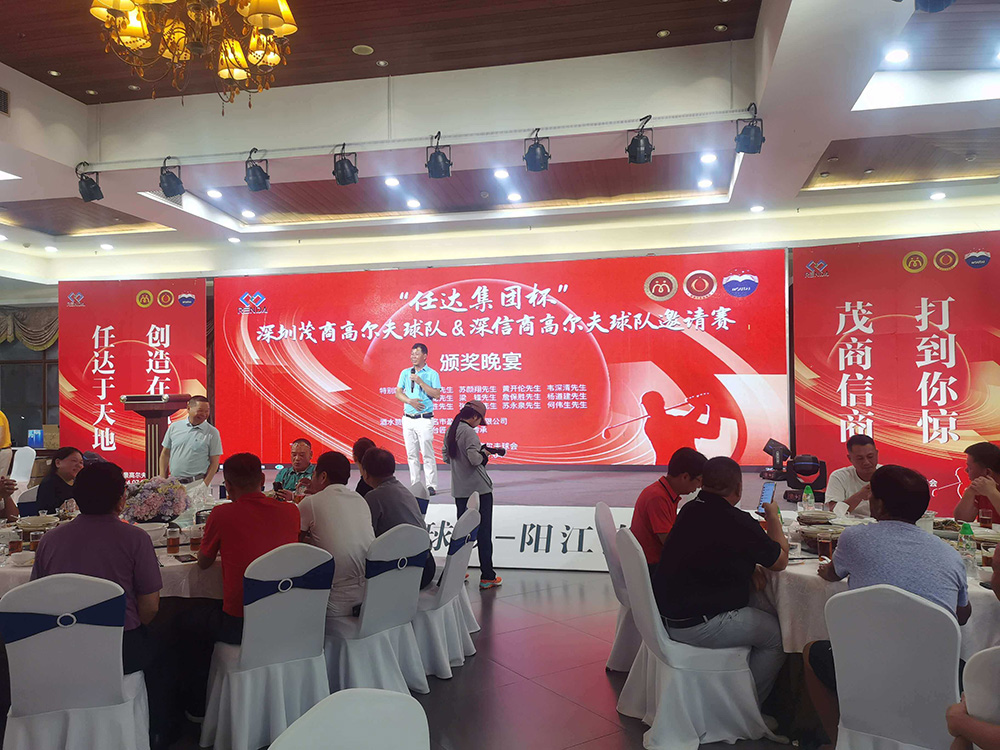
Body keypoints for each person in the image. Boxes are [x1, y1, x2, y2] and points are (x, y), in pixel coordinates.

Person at [803, 465, 971, 749]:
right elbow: (962, 616)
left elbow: (832, 573)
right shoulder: (950, 555)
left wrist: (825, 570)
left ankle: (838, 740)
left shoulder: (854, 538)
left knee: (811, 651)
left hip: (863, 665)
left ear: (878, 504)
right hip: (935, 673)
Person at [31, 462, 176, 749]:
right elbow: (150, 607)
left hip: (61, 647)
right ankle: (157, 734)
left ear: (76, 499)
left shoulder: (50, 540)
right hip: (120, 650)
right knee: (168, 649)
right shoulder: (136, 538)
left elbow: (38, 598)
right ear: (122, 500)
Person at [653, 456, 789, 705]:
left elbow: (709, 551)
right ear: (738, 488)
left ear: (703, 483)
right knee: (778, 637)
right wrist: (772, 518)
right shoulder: (738, 522)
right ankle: (748, 708)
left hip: (670, 615)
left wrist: (749, 568)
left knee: (762, 606)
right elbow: (780, 561)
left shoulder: (690, 510)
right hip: (699, 623)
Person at [181, 453, 299, 717]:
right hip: (286, 619)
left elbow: (203, 563)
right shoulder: (291, 511)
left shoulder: (222, 514)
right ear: (262, 479)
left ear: (228, 485)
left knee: (186, 621)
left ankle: (197, 709)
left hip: (241, 626)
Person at [299, 451, 375, 616]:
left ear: (323, 476)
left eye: (314, 474)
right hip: (369, 596)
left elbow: (294, 545)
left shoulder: (311, 503)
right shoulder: (360, 499)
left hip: (334, 601)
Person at [443, 400, 503, 590]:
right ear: (475, 416)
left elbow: (446, 457)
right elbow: (475, 460)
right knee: (484, 534)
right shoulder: (469, 432)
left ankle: (457, 573)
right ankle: (487, 576)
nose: (479, 424)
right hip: (479, 491)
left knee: (463, 534)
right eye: (480, 420)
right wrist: (484, 453)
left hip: (460, 490)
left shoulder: (451, 430)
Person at [360, 447, 435, 589]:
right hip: (426, 565)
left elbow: (366, 538)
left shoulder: (374, 497)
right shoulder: (403, 490)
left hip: (404, 570)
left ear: (365, 473)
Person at [630, 447, 707, 575]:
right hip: (652, 568)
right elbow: (670, 544)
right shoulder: (657, 497)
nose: (699, 487)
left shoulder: (664, 493)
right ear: (685, 477)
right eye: (699, 481)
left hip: (653, 563)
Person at [158, 395, 223, 506]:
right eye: (200, 410)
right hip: (174, 485)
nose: (204, 414)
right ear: (188, 408)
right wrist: (163, 479)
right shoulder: (174, 427)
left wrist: (204, 485)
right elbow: (165, 454)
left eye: (207, 411)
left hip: (196, 484)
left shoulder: (212, 432)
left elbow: (214, 462)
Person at [395, 342, 441, 495]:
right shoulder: (405, 373)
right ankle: (415, 484)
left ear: (425, 356)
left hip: (424, 419)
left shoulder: (432, 374)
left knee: (427, 452)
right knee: (411, 454)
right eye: (412, 354)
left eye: (417, 354)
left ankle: (431, 485)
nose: (413, 356)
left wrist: (420, 381)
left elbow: (436, 394)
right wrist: (410, 401)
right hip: (408, 418)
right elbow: (398, 393)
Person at [825, 435, 880, 517]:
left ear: (877, 454)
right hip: (848, 523)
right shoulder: (839, 476)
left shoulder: (888, 475)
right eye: (860, 458)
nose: (866, 462)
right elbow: (833, 512)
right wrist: (860, 495)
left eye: (870, 457)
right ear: (850, 458)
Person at [954, 442, 1000, 522]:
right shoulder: (980, 488)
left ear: (987, 472)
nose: (966, 470)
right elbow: (962, 520)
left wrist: (992, 493)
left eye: (970, 467)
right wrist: (969, 493)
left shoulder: (988, 489)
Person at [36, 446, 84, 514]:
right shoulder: (48, 484)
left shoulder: (80, 483)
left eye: (81, 462)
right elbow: (45, 512)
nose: (79, 465)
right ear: (58, 463)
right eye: (74, 461)